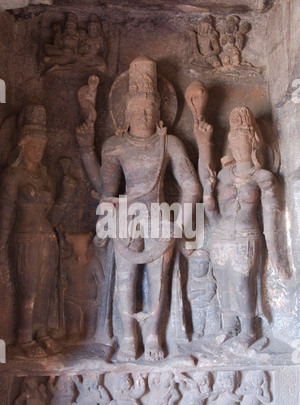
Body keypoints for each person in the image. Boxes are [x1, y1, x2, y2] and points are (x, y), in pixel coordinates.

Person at [76, 56, 201, 361]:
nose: (143, 115)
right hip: (126, 217)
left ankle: (154, 336)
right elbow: (108, 193)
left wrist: (180, 225)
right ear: (126, 112)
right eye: (137, 109)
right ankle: (129, 339)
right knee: (124, 280)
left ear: (160, 112)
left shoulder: (169, 143)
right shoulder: (114, 146)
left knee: (159, 282)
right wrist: (105, 226)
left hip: (159, 217)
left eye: (149, 109)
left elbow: (192, 186)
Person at [204, 107, 289, 348]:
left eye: (242, 142)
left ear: (253, 144)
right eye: (234, 142)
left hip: (247, 236)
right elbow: (212, 215)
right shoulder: (222, 176)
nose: (237, 148)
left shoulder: (263, 177)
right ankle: (229, 326)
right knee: (223, 281)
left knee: (242, 281)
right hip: (221, 235)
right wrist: (208, 193)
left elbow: (272, 218)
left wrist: (274, 250)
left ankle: (249, 331)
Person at [0, 106, 71, 358]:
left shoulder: (45, 175)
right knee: (28, 289)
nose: (38, 150)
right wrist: (1, 243)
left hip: (47, 240)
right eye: (34, 145)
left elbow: (52, 216)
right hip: (24, 240)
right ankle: (23, 337)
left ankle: (41, 333)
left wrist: (66, 193)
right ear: (22, 145)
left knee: (45, 290)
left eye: (42, 146)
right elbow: (6, 213)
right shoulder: (12, 176)